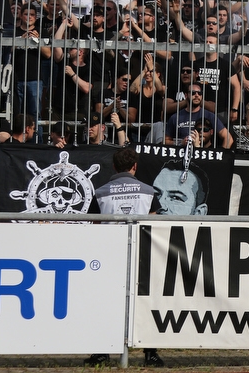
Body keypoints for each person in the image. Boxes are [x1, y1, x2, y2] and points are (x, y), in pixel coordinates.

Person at [86, 147, 165, 369]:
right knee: (144, 303)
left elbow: (94, 224)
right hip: (141, 255)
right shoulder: (149, 192)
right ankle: (150, 353)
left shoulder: (101, 192)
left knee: (107, 304)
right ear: (135, 167)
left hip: (110, 255)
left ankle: (101, 353)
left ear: (114, 167)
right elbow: (154, 223)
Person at [165, 83, 233, 148]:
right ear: (186, 96)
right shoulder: (175, 117)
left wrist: (220, 157)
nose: (197, 95)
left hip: (204, 157)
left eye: (199, 93)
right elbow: (165, 141)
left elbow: (228, 138)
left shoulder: (209, 116)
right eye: (193, 93)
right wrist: (180, 143)